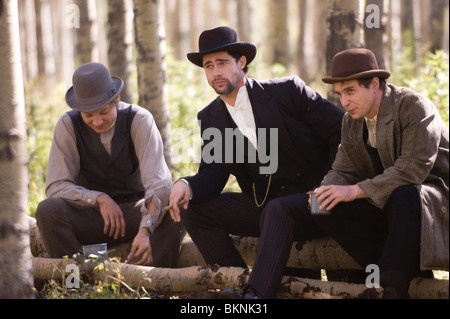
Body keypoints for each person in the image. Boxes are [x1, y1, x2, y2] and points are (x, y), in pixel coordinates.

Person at [168, 26, 344, 298]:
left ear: (241, 62)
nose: (215, 72)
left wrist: (328, 184)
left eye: (223, 63)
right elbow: (215, 173)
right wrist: (186, 185)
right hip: (264, 206)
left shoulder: (288, 92)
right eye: (209, 66)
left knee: (279, 209)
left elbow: (341, 132)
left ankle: (256, 298)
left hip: (318, 201)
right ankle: (238, 284)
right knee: (194, 209)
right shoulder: (211, 117)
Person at [313, 48, 448, 298]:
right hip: (392, 206)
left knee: (404, 194)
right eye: (340, 94)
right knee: (325, 205)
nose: (344, 102)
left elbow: (413, 169)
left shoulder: (413, 105)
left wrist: (355, 190)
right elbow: (343, 168)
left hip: (436, 204)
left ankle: (389, 289)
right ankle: (406, 276)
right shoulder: (351, 121)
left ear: (374, 84)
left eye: (350, 91)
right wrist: (324, 191)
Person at [35, 62, 184, 267]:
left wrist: (145, 229)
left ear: (116, 100)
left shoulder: (139, 119)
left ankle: (156, 282)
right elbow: (56, 185)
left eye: (103, 112)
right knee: (48, 210)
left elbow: (159, 184)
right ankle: (76, 285)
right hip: (91, 219)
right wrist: (99, 199)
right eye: (88, 115)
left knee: (177, 207)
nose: (97, 121)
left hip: (136, 213)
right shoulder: (67, 124)